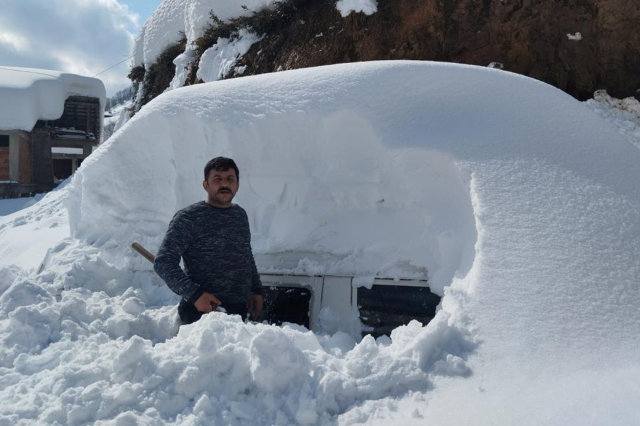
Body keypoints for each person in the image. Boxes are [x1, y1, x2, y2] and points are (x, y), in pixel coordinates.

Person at [154, 157, 264, 325]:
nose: (224, 184)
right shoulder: (188, 218)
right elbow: (164, 262)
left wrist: (256, 289)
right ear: (205, 185)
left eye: (230, 179)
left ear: (237, 185)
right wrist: (195, 295)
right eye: (217, 179)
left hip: (238, 311)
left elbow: (245, 255)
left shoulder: (240, 215)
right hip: (199, 314)